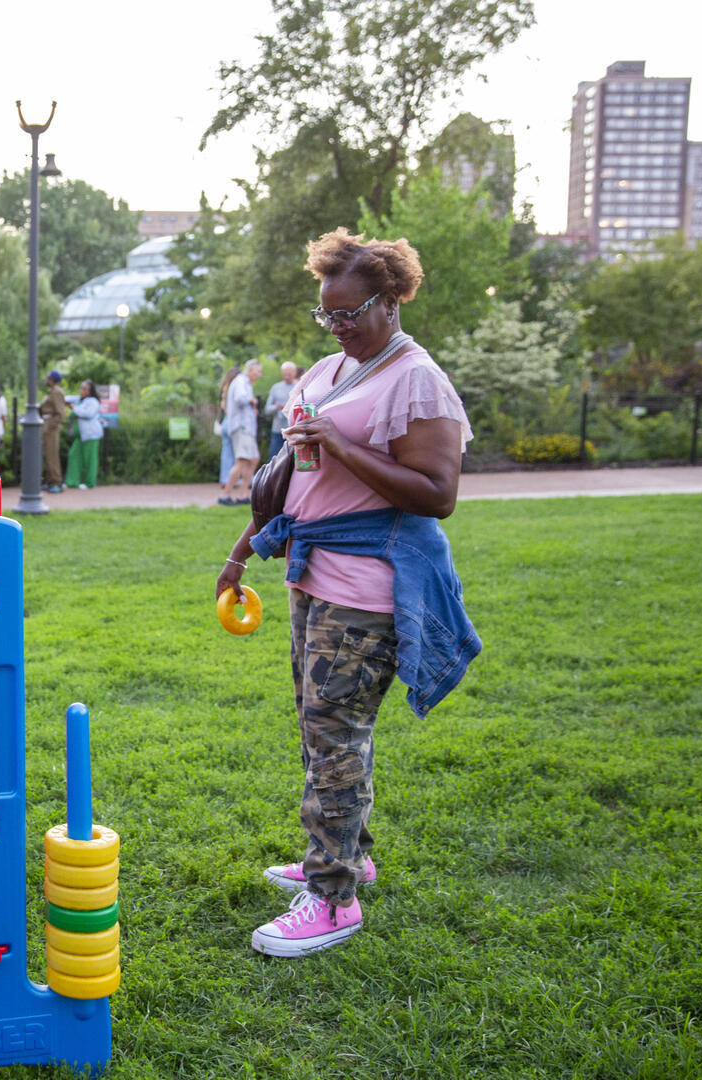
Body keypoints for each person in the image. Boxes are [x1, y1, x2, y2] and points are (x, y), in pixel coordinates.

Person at [214, 227, 478, 958]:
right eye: (325, 316)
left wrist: (340, 445)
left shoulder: (417, 379)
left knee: (336, 739)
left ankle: (333, 898)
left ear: (391, 300)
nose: (336, 328)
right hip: (311, 575)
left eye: (350, 314)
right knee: (320, 730)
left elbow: (438, 493)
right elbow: (296, 479)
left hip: (368, 588)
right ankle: (345, 852)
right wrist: (243, 550)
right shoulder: (328, 371)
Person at [220, 359, 263, 504]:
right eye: (258, 371)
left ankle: (242, 494)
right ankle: (225, 496)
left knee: (253, 459)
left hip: (247, 428)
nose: (260, 375)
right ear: (250, 370)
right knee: (242, 461)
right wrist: (252, 401)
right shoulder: (241, 381)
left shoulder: (244, 383)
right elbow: (240, 398)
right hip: (241, 427)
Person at [64, 380, 103, 489]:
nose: (82, 391)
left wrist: (73, 408)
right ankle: (72, 482)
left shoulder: (93, 402)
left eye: (85, 389)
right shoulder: (82, 400)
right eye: (81, 388)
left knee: (90, 459)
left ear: (90, 391)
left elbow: (88, 414)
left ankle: (90, 483)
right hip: (81, 435)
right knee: (73, 455)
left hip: (91, 434)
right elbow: (67, 398)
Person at [265, 360, 300, 461]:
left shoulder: (299, 386)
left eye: (289, 373)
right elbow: (267, 409)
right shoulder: (276, 388)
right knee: (274, 459)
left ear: (295, 372)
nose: (287, 376)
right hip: (278, 430)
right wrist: (276, 407)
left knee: (293, 461)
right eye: (285, 374)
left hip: (294, 431)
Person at [40, 370, 68, 492]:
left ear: (52, 379)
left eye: (48, 377)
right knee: (48, 455)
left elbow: (60, 414)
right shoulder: (52, 392)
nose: (46, 379)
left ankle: (56, 482)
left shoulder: (56, 392)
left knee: (52, 456)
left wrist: (49, 426)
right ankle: (50, 480)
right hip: (47, 426)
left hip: (51, 428)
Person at [216, 365, 238, 491]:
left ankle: (225, 479)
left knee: (226, 452)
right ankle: (233, 480)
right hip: (232, 421)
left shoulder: (225, 388)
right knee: (237, 453)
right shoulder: (235, 388)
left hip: (225, 421)